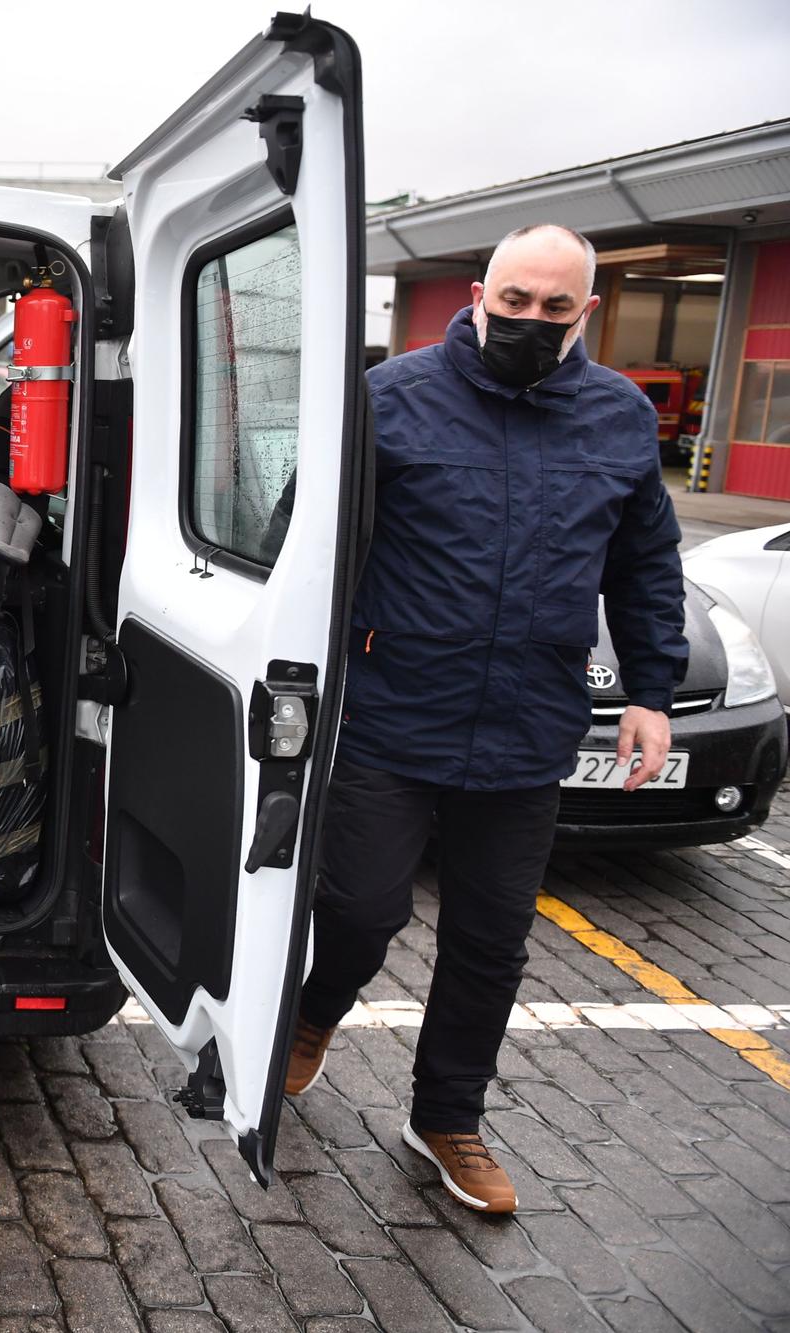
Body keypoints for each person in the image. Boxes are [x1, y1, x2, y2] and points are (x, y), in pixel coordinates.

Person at [287, 224, 686, 1214]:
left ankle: (445, 1117)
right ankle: (312, 1012)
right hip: (390, 713)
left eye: (554, 307)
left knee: (488, 939)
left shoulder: (616, 418)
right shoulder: (389, 400)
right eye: (514, 300)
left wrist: (649, 691)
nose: (529, 319)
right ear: (477, 292)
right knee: (358, 906)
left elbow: (644, 564)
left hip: (524, 727)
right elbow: (305, 539)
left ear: (584, 312)